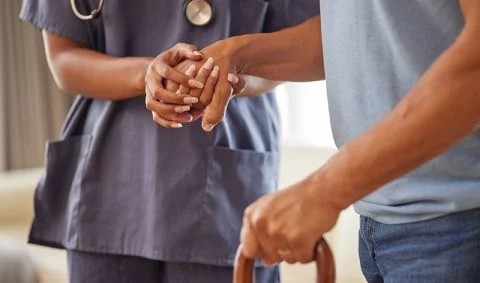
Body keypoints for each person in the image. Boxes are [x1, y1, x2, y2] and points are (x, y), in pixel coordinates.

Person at [149, 1, 480, 282]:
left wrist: (325, 189)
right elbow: (352, 35)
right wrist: (237, 53)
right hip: (386, 219)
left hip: (459, 219)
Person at [19, 0, 319, 282]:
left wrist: (233, 77)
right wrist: (147, 74)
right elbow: (63, 58)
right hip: (111, 180)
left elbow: (307, 45)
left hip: (223, 182)